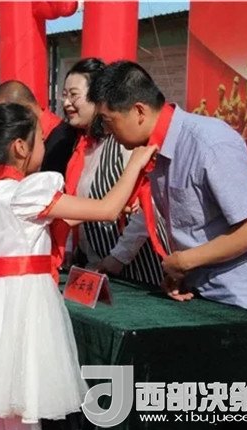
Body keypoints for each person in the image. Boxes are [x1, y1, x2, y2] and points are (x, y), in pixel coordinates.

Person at [0, 103, 157, 430]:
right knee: (24, 407)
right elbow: (106, 210)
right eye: (41, 139)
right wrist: (134, 165)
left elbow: (71, 215)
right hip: (23, 304)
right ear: (21, 147)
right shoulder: (29, 191)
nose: (45, 146)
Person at [89, 60, 247, 315]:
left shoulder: (210, 143)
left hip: (246, 299)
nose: (107, 130)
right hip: (203, 292)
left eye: (108, 121)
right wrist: (182, 271)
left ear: (139, 111)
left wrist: (185, 261)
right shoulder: (155, 150)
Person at [59, 58, 169, 285]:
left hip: (136, 270)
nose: (67, 103)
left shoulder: (124, 142)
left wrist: (118, 257)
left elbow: (149, 206)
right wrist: (68, 247)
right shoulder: (79, 147)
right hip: (97, 267)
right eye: (64, 95)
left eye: (74, 95)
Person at [0, 79, 78, 176]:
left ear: (28, 111)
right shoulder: (10, 140)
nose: (5, 125)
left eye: (8, 117)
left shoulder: (64, 139)